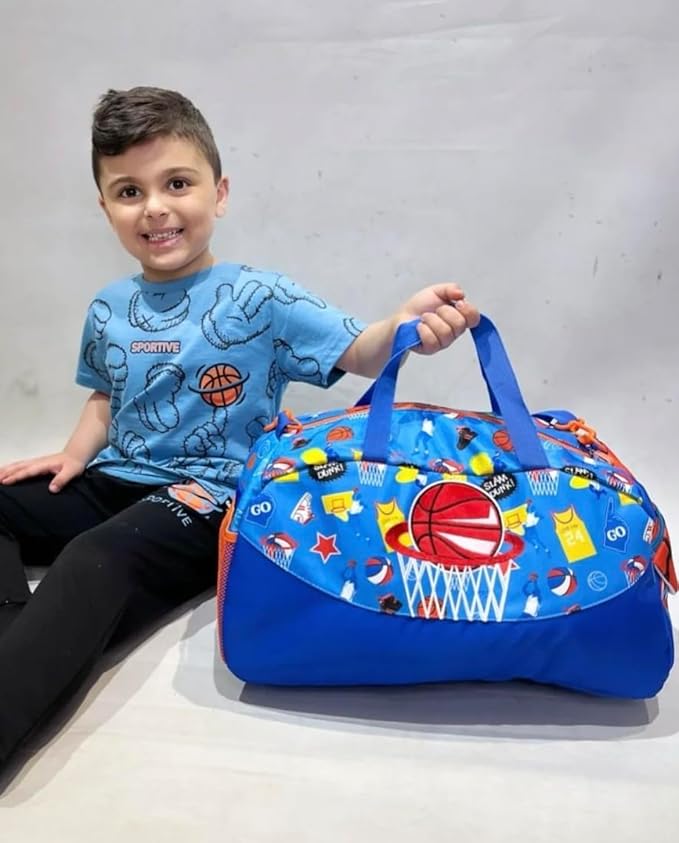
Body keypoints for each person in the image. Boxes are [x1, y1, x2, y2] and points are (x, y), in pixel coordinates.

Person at [0, 86, 480, 772]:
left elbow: (358, 350)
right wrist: (73, 457)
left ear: (218, 193)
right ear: (105, 208)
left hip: (210, 499)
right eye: (129, 191)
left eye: (177, 183)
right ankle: (20, 636)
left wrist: (402, 326)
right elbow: (106, 396)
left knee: (94, 558)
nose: (155, 207)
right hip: (116, 479)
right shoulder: (109, 306)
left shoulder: (261, 297)